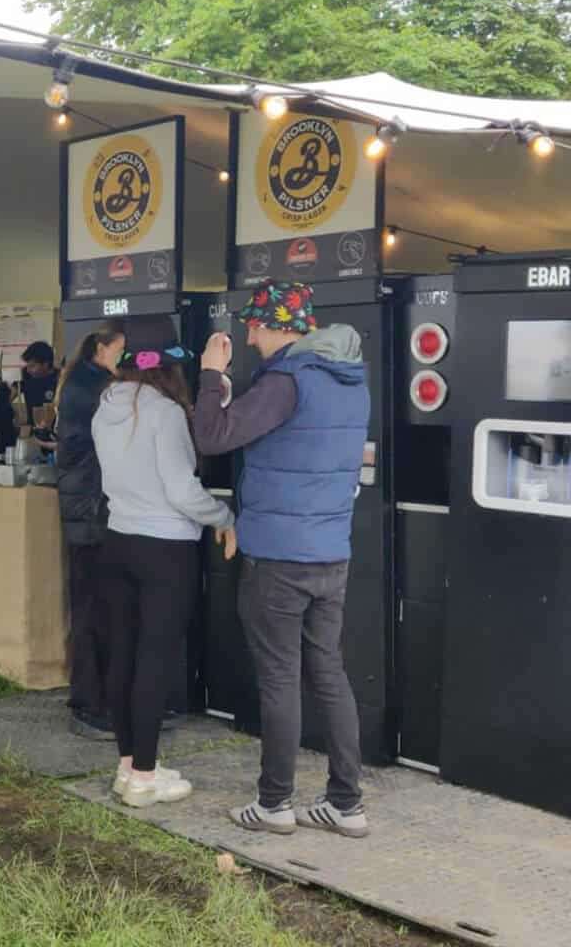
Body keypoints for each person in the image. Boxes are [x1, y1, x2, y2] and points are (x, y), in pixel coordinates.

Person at [194, 280, 371, 839]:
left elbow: (213, 436)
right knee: (329, 673)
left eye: (254, 322)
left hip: (279, 559)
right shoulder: (349, 381)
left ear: (277, 326)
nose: (247, 331)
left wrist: (209, 375)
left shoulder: (286, 381)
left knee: (279, 680)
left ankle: (275, 804)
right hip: (331, 552)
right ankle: (346, 803)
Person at [93, 316, 236, 809]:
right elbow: (181, 490)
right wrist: (222, 515)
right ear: (169, 366)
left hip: (118, 541)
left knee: (125, 656)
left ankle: (128, 765)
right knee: (156, 659)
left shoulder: (107, 404)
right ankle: (147, 777)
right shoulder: (165, 413)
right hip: (165, 549)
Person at [56, 321, 126, 739]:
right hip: (91, 510)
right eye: (120, 352)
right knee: (93, 609)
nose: (124, 361)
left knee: (91, 606)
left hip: (84, 507)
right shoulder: (97, 387)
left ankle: (91, 698)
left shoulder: (80, 381)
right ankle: (89, 704)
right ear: (101, 348)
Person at [19, 341, 58, 413]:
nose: (28, 370)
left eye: (32, 366)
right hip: (32, 424)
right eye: (27, 366)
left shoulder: (61, 380)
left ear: (46, 364)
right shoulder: (27, 376)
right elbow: (18, 386)